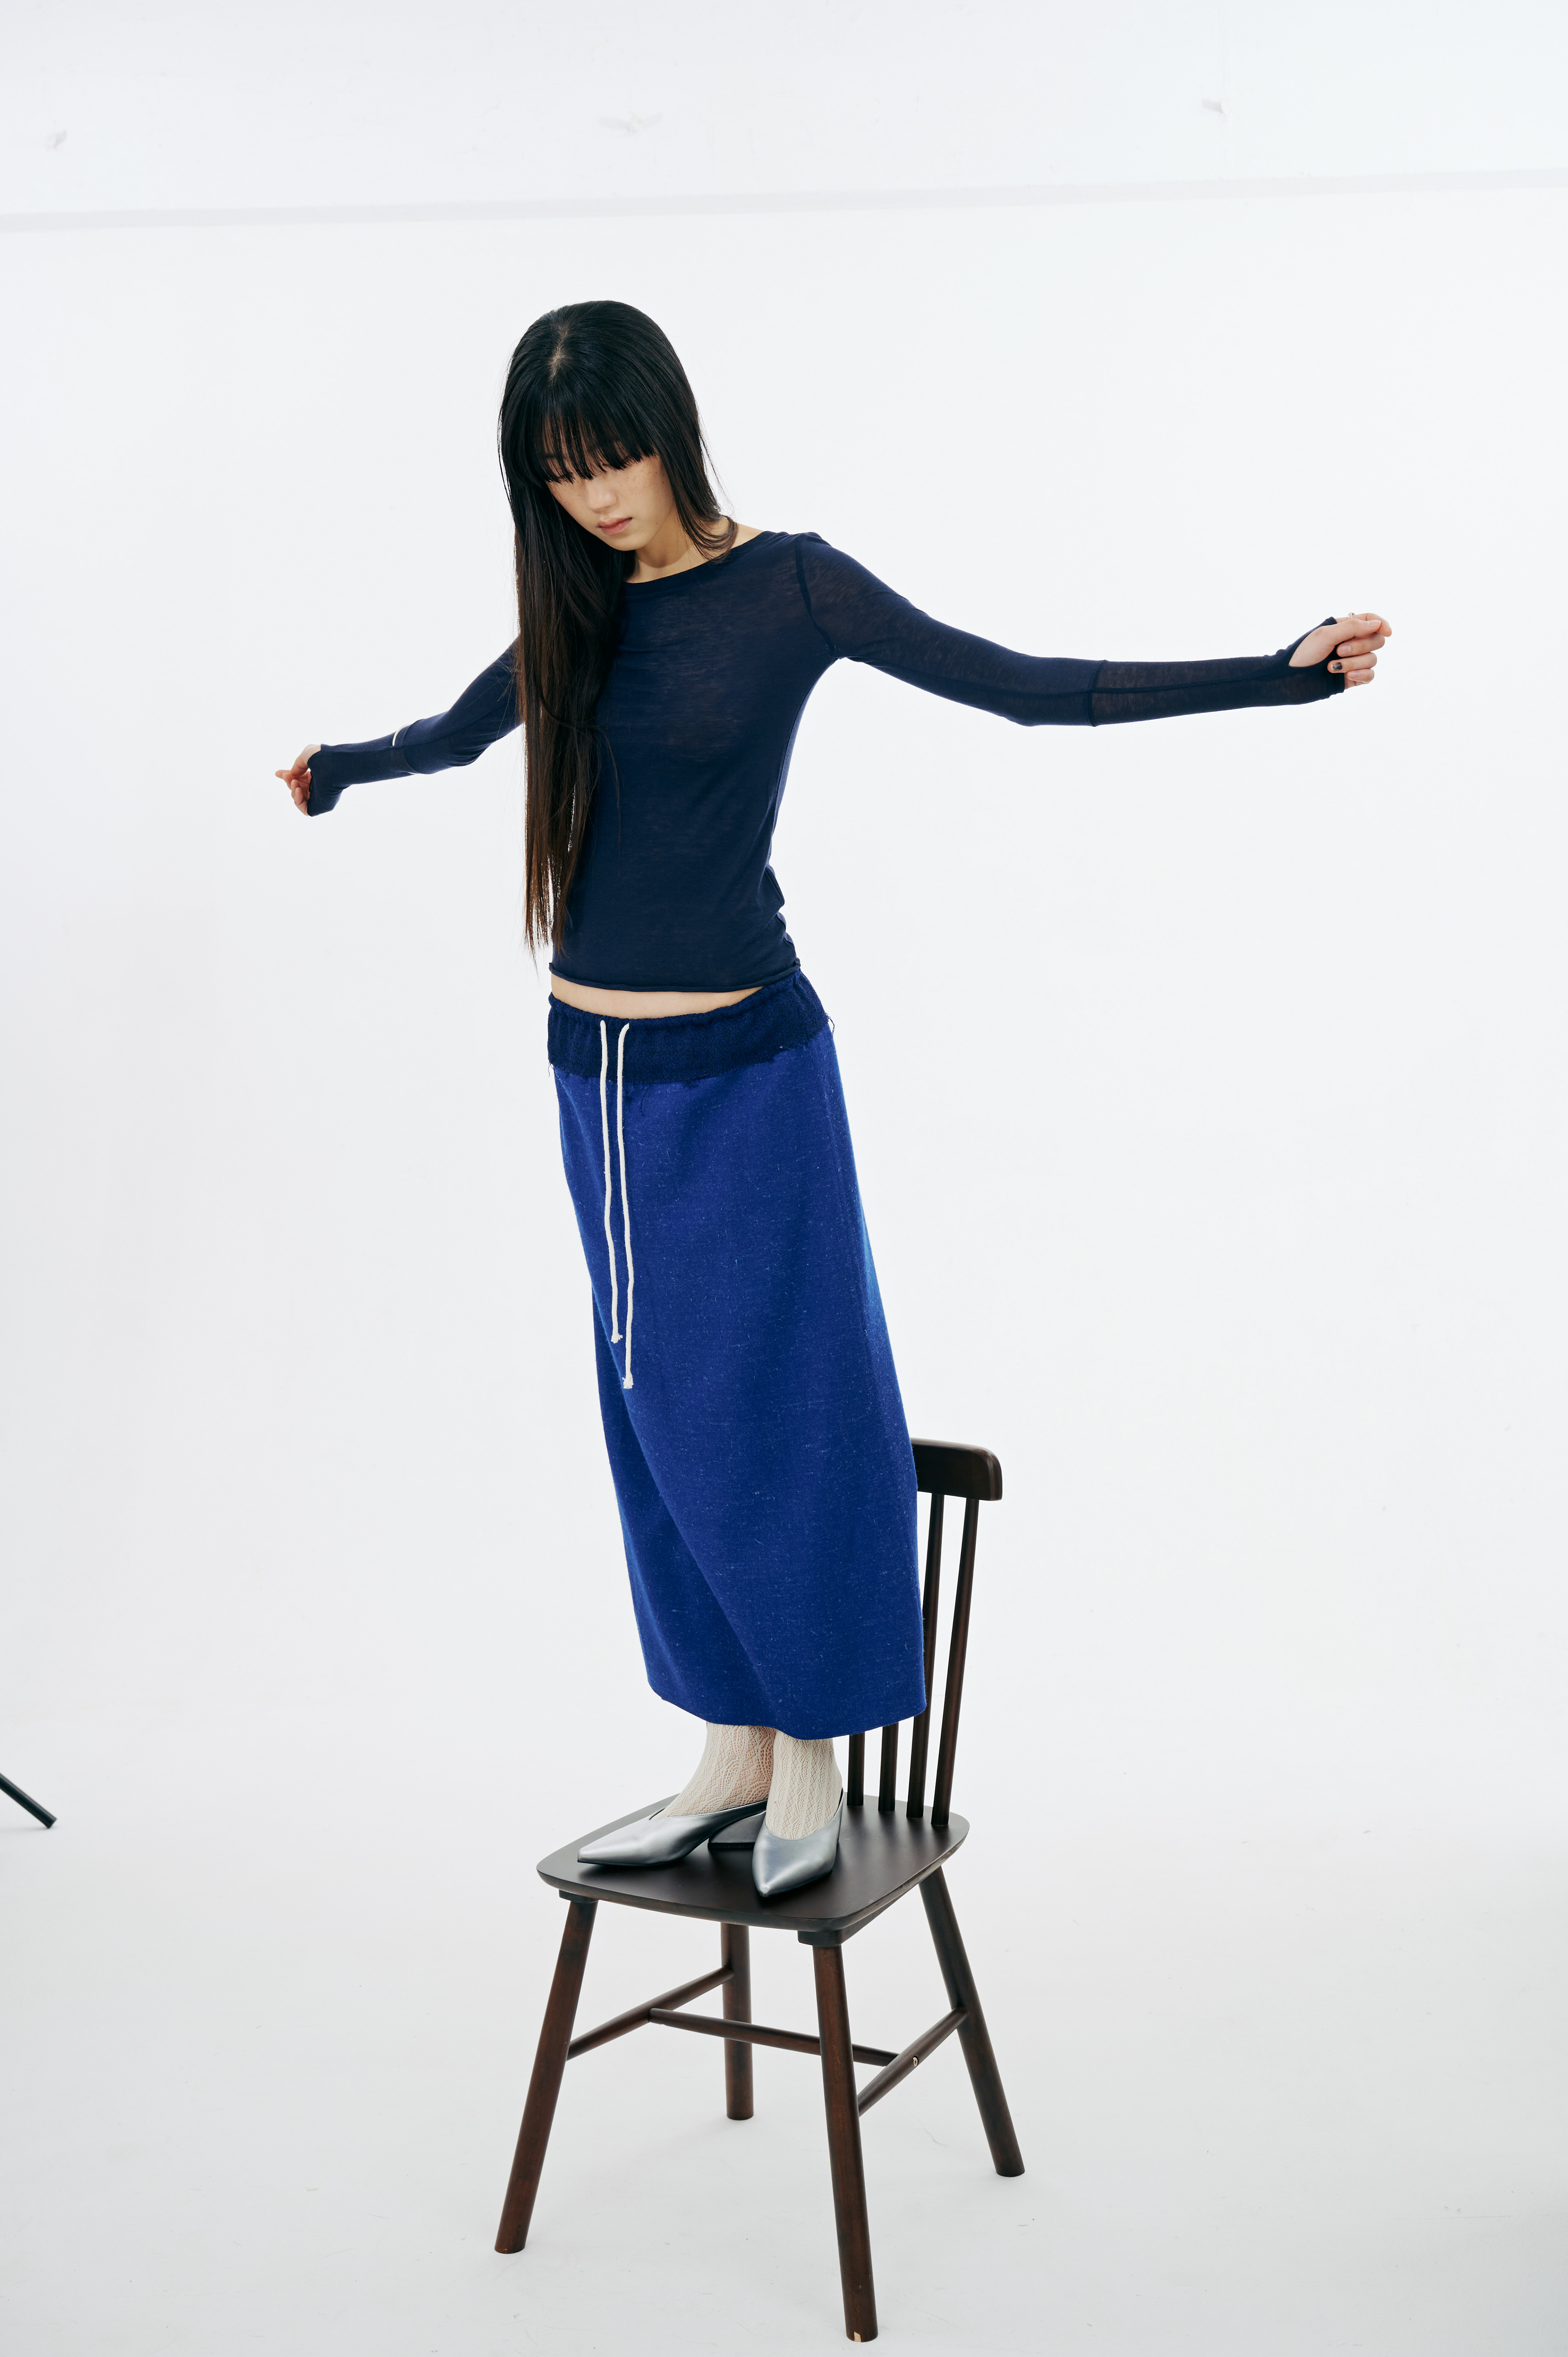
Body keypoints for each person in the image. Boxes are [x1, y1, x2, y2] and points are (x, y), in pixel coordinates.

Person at [277, 300, 1390, 1898]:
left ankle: (811, 1743)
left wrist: (1275, 677)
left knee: (784, 1400)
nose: (596, 497)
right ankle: (729, 1746)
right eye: (562, 475)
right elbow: (456, 736)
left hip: (746, 1068)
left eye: (613, 458)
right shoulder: (578, 613)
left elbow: (1025, 686)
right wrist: (335, 769)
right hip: (592, 1074)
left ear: (671, 430)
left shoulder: (791, 586)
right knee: (654, 1407)